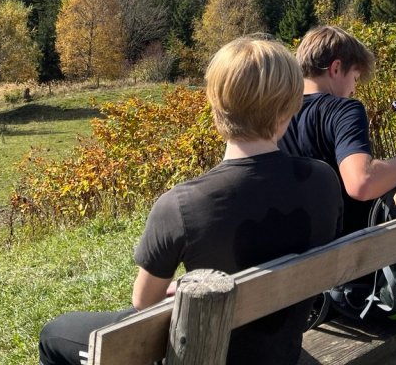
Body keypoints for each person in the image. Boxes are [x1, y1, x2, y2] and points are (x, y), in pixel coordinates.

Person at [39, 37, 342, 365]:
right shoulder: (324, 180)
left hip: (207, 353)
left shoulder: (183, 204)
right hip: (282, 353)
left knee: (55, 334)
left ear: (216, 108)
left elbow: (144, 302)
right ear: (289, 108)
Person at [279, 25, 396, 235]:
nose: (353, 89)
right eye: (354, 78)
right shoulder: (344, 109)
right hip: (347, 250)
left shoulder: (275, 113)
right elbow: (362, 182)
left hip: (295, 247)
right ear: (335, 68)